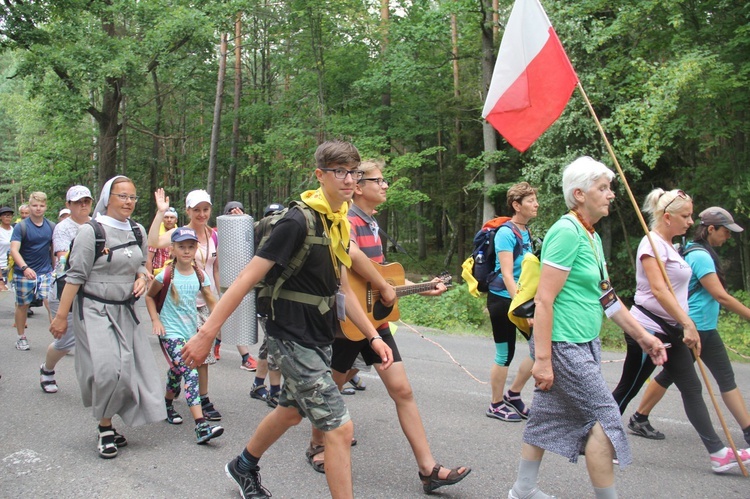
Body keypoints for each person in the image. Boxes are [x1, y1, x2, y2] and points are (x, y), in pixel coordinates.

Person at [181, 140, 394, 499]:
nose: (347, 179)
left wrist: (372, 335)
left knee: (292, 411)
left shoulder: (337, 222)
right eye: (338, 171)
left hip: (317, 335)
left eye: (353, 172)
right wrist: (207, 332)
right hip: (290, 335)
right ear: (320, 175)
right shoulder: (298, 220)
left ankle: (243, 465)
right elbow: (247, 277)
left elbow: (341, 288)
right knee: (339, 429)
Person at [305, 159, 470, 493]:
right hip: (350, 321)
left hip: (375, 321)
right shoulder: (346, 219)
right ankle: (317, 443)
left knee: (403, 391)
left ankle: (428, 468)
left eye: (385, 180)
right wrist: (383, 285)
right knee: (332, 386)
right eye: (378, 180)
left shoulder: (372, 224)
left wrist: (421, 286)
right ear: (360, 186)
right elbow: (349, 264)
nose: (385, 185)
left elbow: (381, 274)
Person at [508, 157, 667, 499]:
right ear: (579, 194)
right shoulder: (566, 232)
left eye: (609, 188)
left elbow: (607, 299)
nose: (611, 195)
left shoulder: (590, 236)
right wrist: (544, 360)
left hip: (585, 342)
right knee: (607, 421)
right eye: (603, 188)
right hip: (563, 345)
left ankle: (522, 490)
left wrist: (644, 337)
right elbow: (545, 301)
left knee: (548, 416)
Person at [611, 190, 750, 473]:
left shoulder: (671, 246)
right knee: (628, 388)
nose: (690, 222)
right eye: (685, 216)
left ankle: (717, 453)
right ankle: (595, 437)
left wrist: (684, 324)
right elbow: (660, 291)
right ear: (667, 217)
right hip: (648, 330)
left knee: (692, 387)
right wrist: (688, 323)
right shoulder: (651, 244)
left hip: (671, 330)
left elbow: (675, 292)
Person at [49, 176, 165, 459]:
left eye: (133, 197)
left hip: (125, 310)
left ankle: (108, 422)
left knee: (127, 372)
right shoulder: (92, 231)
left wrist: (141, 277)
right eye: (122, 196)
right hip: (95, 310)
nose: (128, 202)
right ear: (108, 197)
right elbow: (74, 277)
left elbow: (139, 264)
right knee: (107, 372)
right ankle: (105, 427)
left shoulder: (137, 230)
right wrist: (61, 317)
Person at [149, 188, 225, 421]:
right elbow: (153, 241)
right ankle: (201, 401)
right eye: (196, 210)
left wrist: (220, 300)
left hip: (206, 300)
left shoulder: (214, 235)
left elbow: (216, 268)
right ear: (188, 210)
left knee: (202, 356)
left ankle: (186, 398)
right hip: (184, 304)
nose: (201, 214)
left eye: (205, 209)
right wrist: (161, 213)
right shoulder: (182, 235)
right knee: (195, 356)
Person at [486, 182, 537, 422]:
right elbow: (507, 274)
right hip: (503, 299)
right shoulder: (506, 232)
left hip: (521, 298)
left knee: (540, 348)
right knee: (505, 353)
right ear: (517, 205)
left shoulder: (526, 232)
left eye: (535, 200)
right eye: (530, 201)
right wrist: (521, 307)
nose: (536, 204)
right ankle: (496, 404)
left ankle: (514, 394)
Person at [40, 185, 94, 393]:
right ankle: (47, 369)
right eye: (78, 202)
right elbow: (63, 258)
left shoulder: (97, 224)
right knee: (65, 342)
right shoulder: (63, 228)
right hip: (65, 288)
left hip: (91, 290)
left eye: (86, 201)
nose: (83, 205)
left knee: (95, 338)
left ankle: (97, 382)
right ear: (68, 205)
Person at [209, 200, 259, 371]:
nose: (234, 214)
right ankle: (245, 357)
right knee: (225, 317)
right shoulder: (217, 234)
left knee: (229, 318)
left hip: (241, 283)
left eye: (238, 211)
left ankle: (218, 344)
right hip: (220, 284)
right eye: (230, 212)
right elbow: (216, 267)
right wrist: (219, 291)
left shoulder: (248, 233)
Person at [248, 202, 285, 408]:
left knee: (269, 342)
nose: (274, 220)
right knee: (274, 343)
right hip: (265, 298)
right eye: (270, 216)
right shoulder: (259, 242)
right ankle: (275, 391)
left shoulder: (284, 238)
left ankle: (257, 385)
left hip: (273, 298)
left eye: (277, 216)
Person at [10, 191, 55, 350]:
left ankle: (59, 339)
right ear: (29, 207)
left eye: (41, 206)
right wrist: (25, 267)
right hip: (24, 272)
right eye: (35, 205)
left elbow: (53, 249)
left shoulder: (51, 226)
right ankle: (21, 337)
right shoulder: (21, 227)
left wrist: (55, 269)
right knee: (23, 305)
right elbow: (14, 250)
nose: (38, 209)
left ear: (45, 207)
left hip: (46, 271)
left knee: (52, 304)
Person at [146, 206, 178, 275]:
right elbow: (148, 258)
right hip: (158, 275)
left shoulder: (180, 234)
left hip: (175, 273)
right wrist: (149, 278)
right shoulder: (156, 234)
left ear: (176, 220)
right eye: (166, 217)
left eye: (172, 217)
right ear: (163, 219)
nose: (169, 220)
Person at [0, 206, 14, 292]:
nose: (7, 217)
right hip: (2, 266)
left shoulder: (15, 229)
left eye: (9, 215)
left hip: (13, 267)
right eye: (5, 215)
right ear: (0, 217)